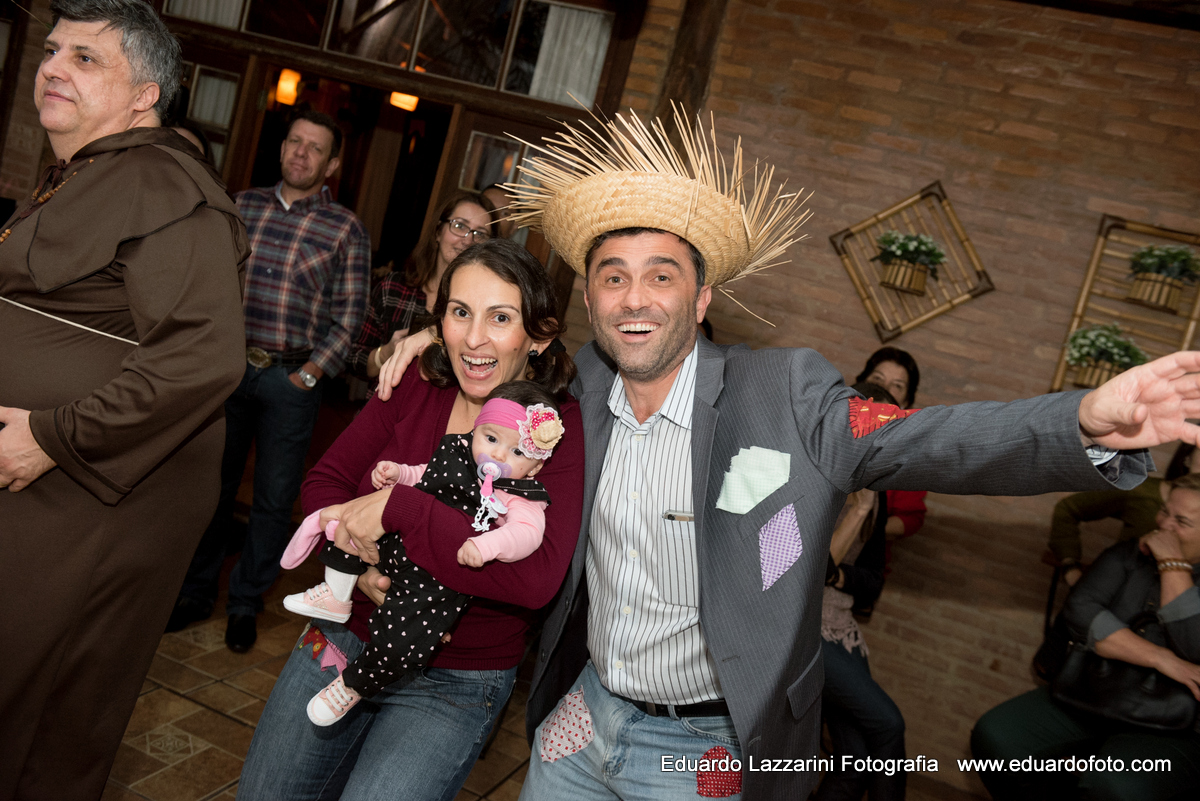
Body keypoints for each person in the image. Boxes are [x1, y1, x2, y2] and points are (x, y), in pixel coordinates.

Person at [369, 107, 1200, 801]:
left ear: (701, 298)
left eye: (662, 275)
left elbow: (924, 438)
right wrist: (425, 344)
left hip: (708, 749)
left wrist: (1082, 421)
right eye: (613, 276)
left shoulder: (785, 395)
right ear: (589, 295)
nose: (634, 297)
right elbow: (497, 362)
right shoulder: (578, 389)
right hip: (581, 721)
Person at [0, 2, 248, 798]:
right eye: (51, 50)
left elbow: (202, 356)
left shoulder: (166, 183)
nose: (52, 67)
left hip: (87, 497)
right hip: (47, 496)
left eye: (85, 58)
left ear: (145, 95)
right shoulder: (86, 173)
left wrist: (54, 436)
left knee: (40, 703)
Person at [237, 238, 585, 800]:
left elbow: (535, 577)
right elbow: (326, 482)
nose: (474, 339)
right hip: (346, 637)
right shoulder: (417, 384)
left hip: (455, 679)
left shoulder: (551, 429)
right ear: (438, 320)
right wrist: (362, 565)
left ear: (538, 336)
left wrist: (401, 509)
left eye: (501, 318)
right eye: (460, 312)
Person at [170, 108, 371, 651]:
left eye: (315, 147)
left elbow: (350, 317)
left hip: (290, 381)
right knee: (211, 486)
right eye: (294, 141)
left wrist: (308, 374)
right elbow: (208, 283)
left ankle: (245, 602)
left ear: (331, 165)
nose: (300, 153)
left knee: (274, 499)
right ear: (281, 147)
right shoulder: (241, 205)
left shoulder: (345, 229)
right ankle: (195, 591)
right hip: (227, 372)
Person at [279, 381, 565, 725]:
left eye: (517, 452)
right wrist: (400, 474)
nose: (499, 455)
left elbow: (527, 534)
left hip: (434, 580)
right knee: (350, 524)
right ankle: (336, 594)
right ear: (476, 430)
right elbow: (427, 474)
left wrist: (486, 545)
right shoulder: (458, 450)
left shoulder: (521, 495)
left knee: (403, 638)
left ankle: (354, 684)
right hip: (396, 543)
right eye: (490, 438)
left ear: (535, 466)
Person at [971, 473, 1200, 800]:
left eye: (1182, 521)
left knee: (1116, 784)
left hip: (1177, 723)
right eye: (1165, 511)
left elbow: (1194, 645)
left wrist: (1172, 564)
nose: (1164, 525)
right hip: (1093, 691)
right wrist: (1162, 659)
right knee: (997, 736)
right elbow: (1080, 610)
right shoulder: (1128, 554)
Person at [815, 382, 906, 801]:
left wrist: (838, 578)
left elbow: (872, 581)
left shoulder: (875, 492)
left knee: (854, 763)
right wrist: (859, 509)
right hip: (803, 629)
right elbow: (809, 570)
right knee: (888, 724)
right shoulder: (816, 476)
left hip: (842, 627)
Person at [345, 190, 493, 383]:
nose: (467, 240)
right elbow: (353, 360)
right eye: (459, 226)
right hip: (385, 399)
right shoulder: (395, 289)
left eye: (480, 234)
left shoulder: (488, 306)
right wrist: (387, 352)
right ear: (438, 232)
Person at [1050, 442, 1197, 586]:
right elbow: (1068, 508)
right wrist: (1070, 566)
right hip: (1116, 591)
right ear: (1187, 457)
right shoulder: (1142, 491)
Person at [856, 346, 927, 541]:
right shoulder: (828, 423)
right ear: (861, 382)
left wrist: (863, 528)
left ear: (907, 401)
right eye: (877, 379)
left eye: (897, 385)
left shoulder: (908, 453)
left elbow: (911, 518)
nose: (884, 389)